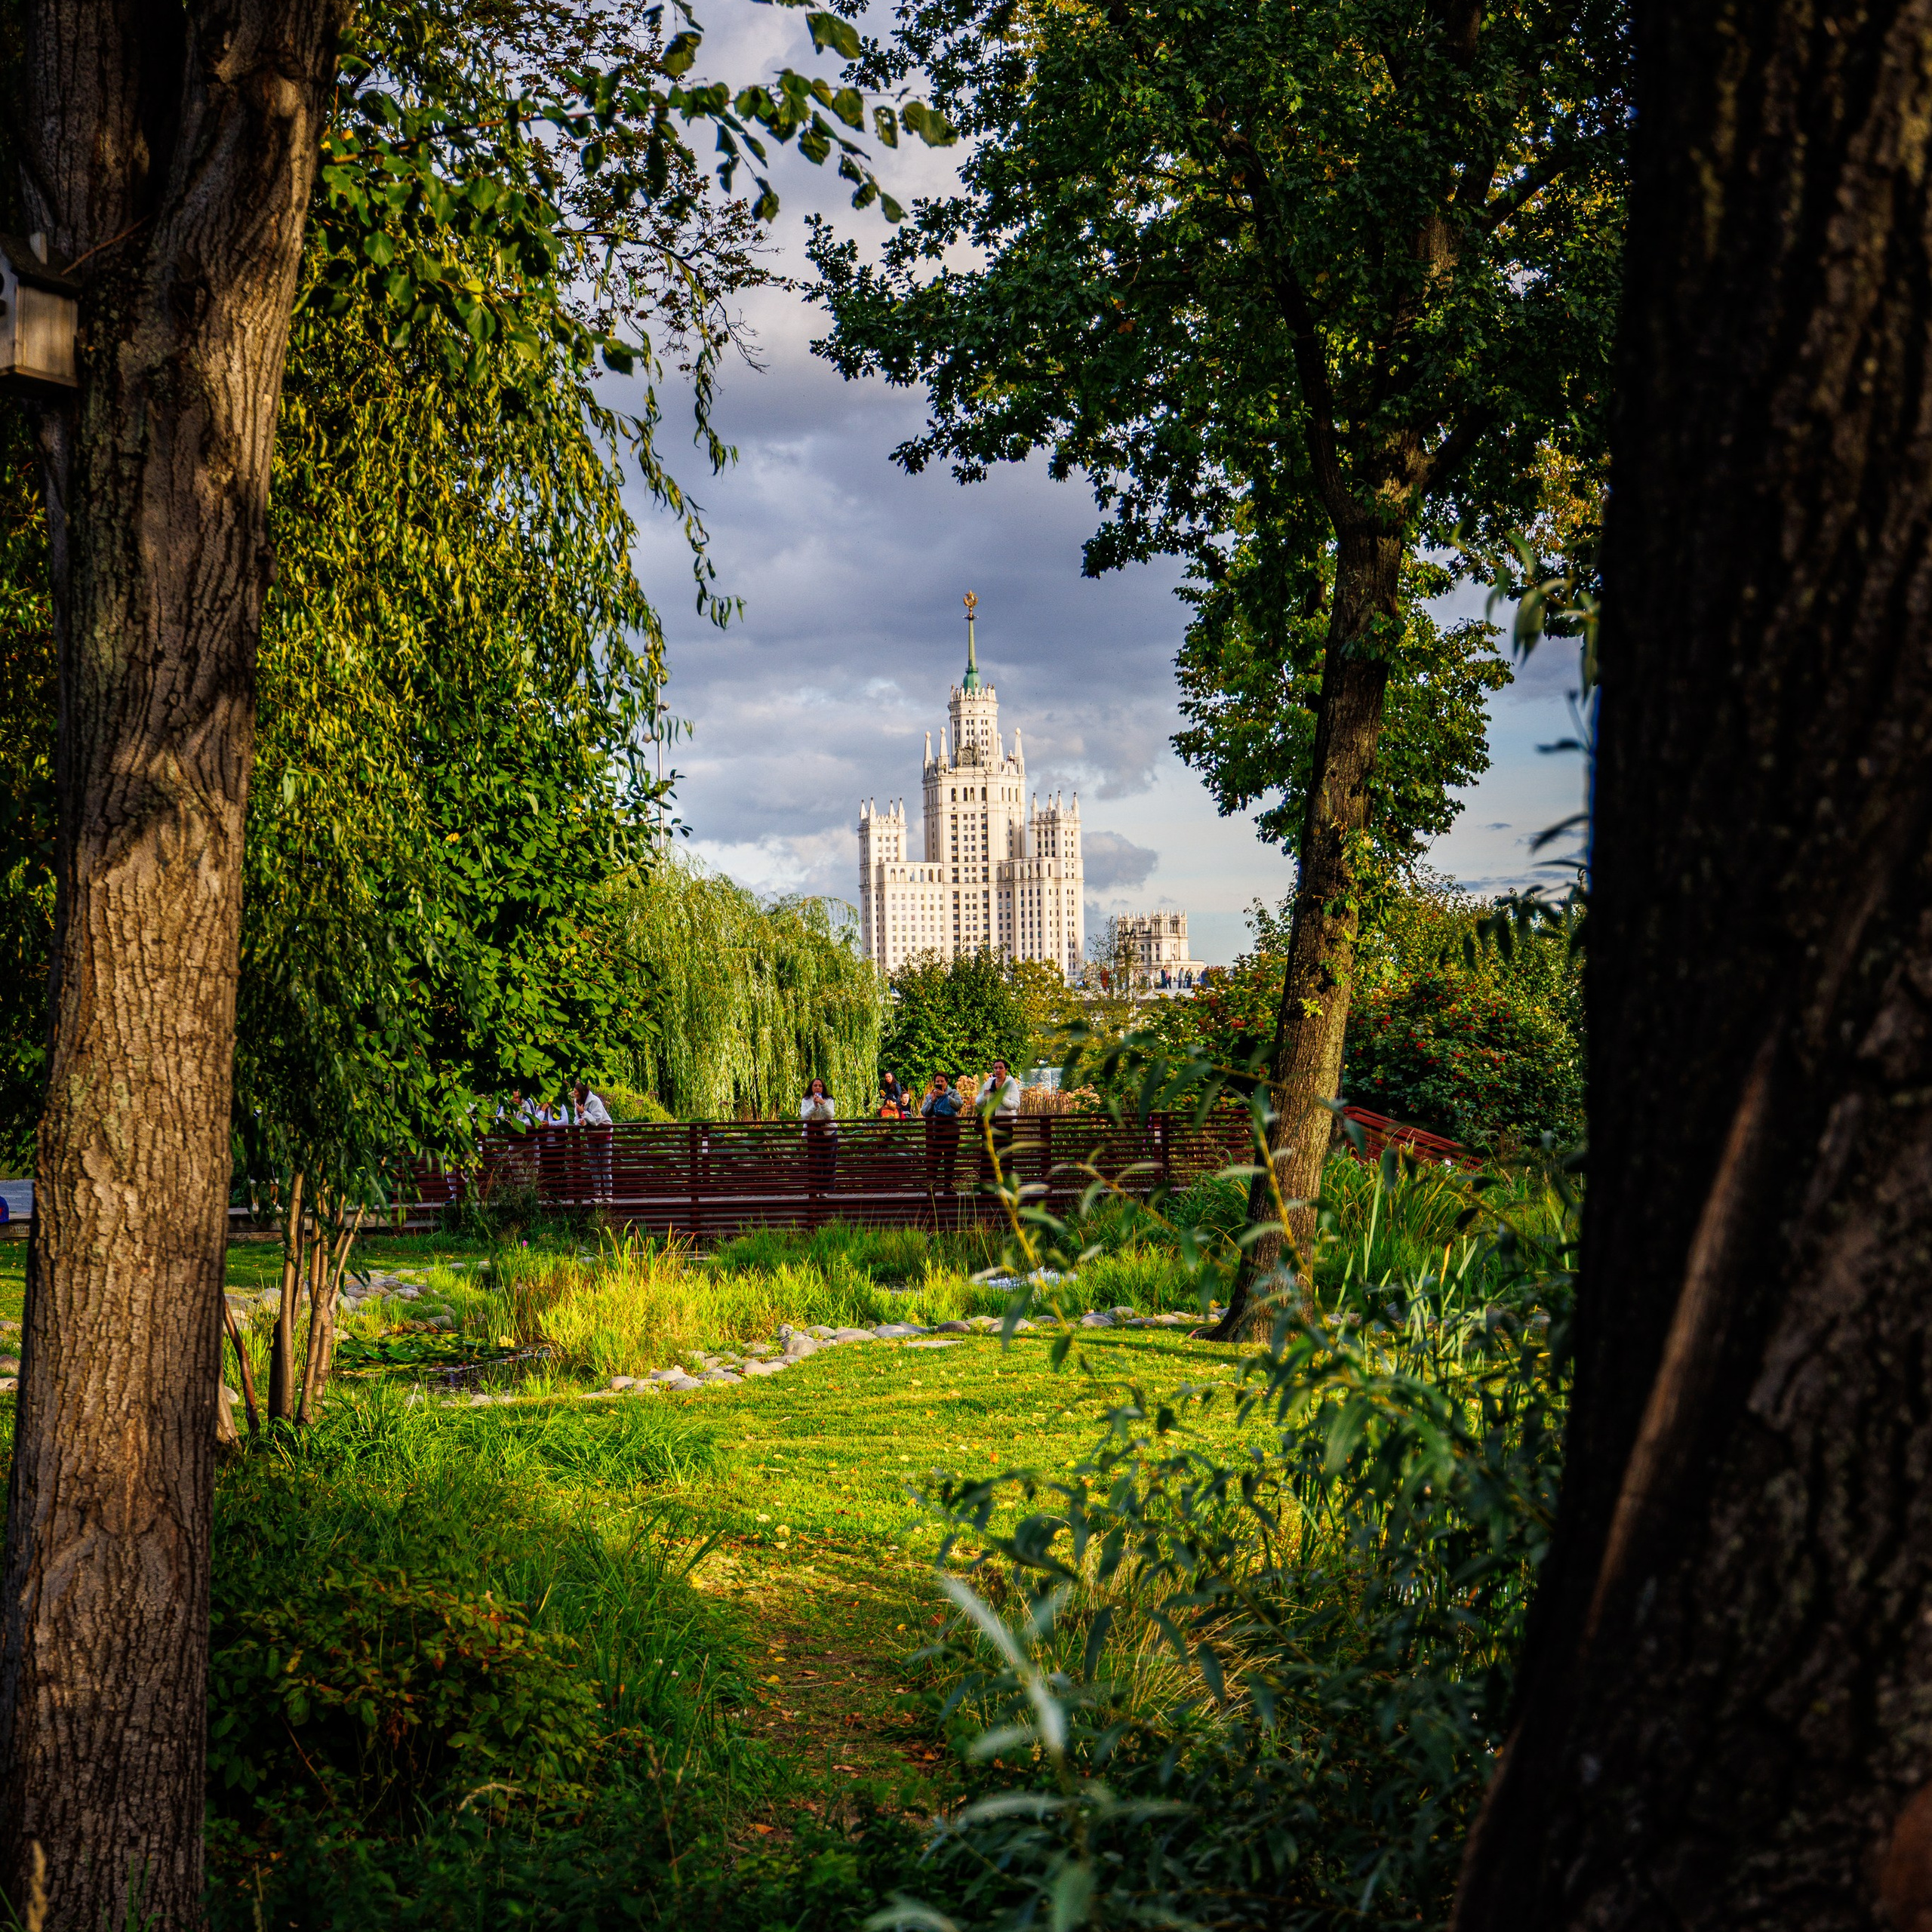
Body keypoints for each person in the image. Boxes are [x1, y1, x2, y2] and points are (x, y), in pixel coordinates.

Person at [572, 1081, 614, 1201]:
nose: (574, 1094)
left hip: (603, 1135)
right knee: (593, 1164)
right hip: (591, 1136)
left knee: (605, 1164)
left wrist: (583, 1112)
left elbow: (596, 1120)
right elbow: (577, 1118)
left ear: (582, 1092)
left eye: (576, 1092)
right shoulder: (577, 1102)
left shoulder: (595, 1101)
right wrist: (580, 1122)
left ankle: (608, 1194)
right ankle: (598, 1193)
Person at [800, 1077, 838, 1194]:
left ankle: (826, 1191)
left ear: (823, 1088)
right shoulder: (806, 1100)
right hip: (813, 1134)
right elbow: (804, 1117)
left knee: (829, 1162)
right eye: (815, 1085)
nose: (817, 1088)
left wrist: (822, 1103)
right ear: (811, 1088)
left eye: (820, 1086)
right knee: (815, 1162)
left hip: (829, 1133)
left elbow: (830, 1115)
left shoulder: (829, 1100)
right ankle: (816, 1189)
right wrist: (814, 1105)